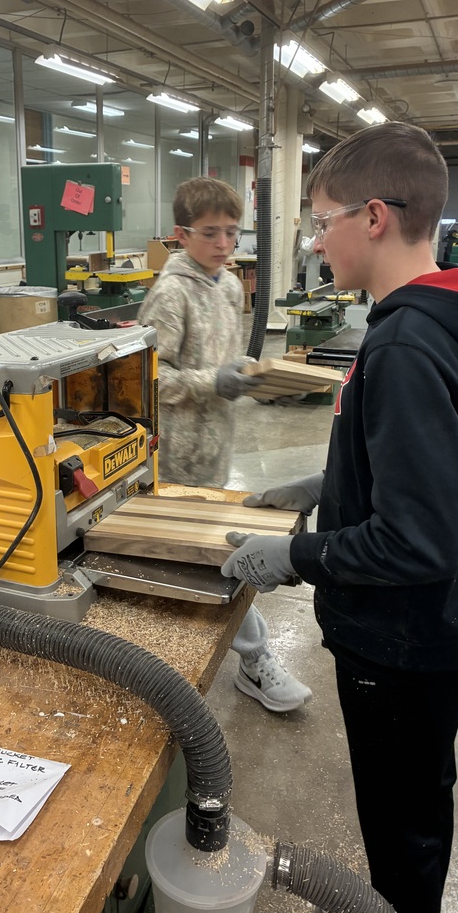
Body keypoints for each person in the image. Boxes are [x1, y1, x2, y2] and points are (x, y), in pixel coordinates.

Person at [221, 123, 458, 913]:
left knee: (400, 830)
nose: (318, 244)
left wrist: (296, 555)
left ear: (374, 217)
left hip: (403, 637)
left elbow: (417, 541)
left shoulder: (405, 344)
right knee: (420, 804)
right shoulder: (449, 318)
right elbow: (435, 465)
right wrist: (328, 481)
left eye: (322, 221)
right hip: (443, 619)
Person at [138, 176, 312, 713]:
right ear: (180, 234)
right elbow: (147, 380)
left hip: (216, 448)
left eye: (232, 234)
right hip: (171, 453)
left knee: (201, 555)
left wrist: (251, 377)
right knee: (204, 555)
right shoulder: (170, 294)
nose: (222, 244)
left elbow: (225, 364)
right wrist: (215, 382)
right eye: (210, 233)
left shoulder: (229, 285)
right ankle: (254, 659)